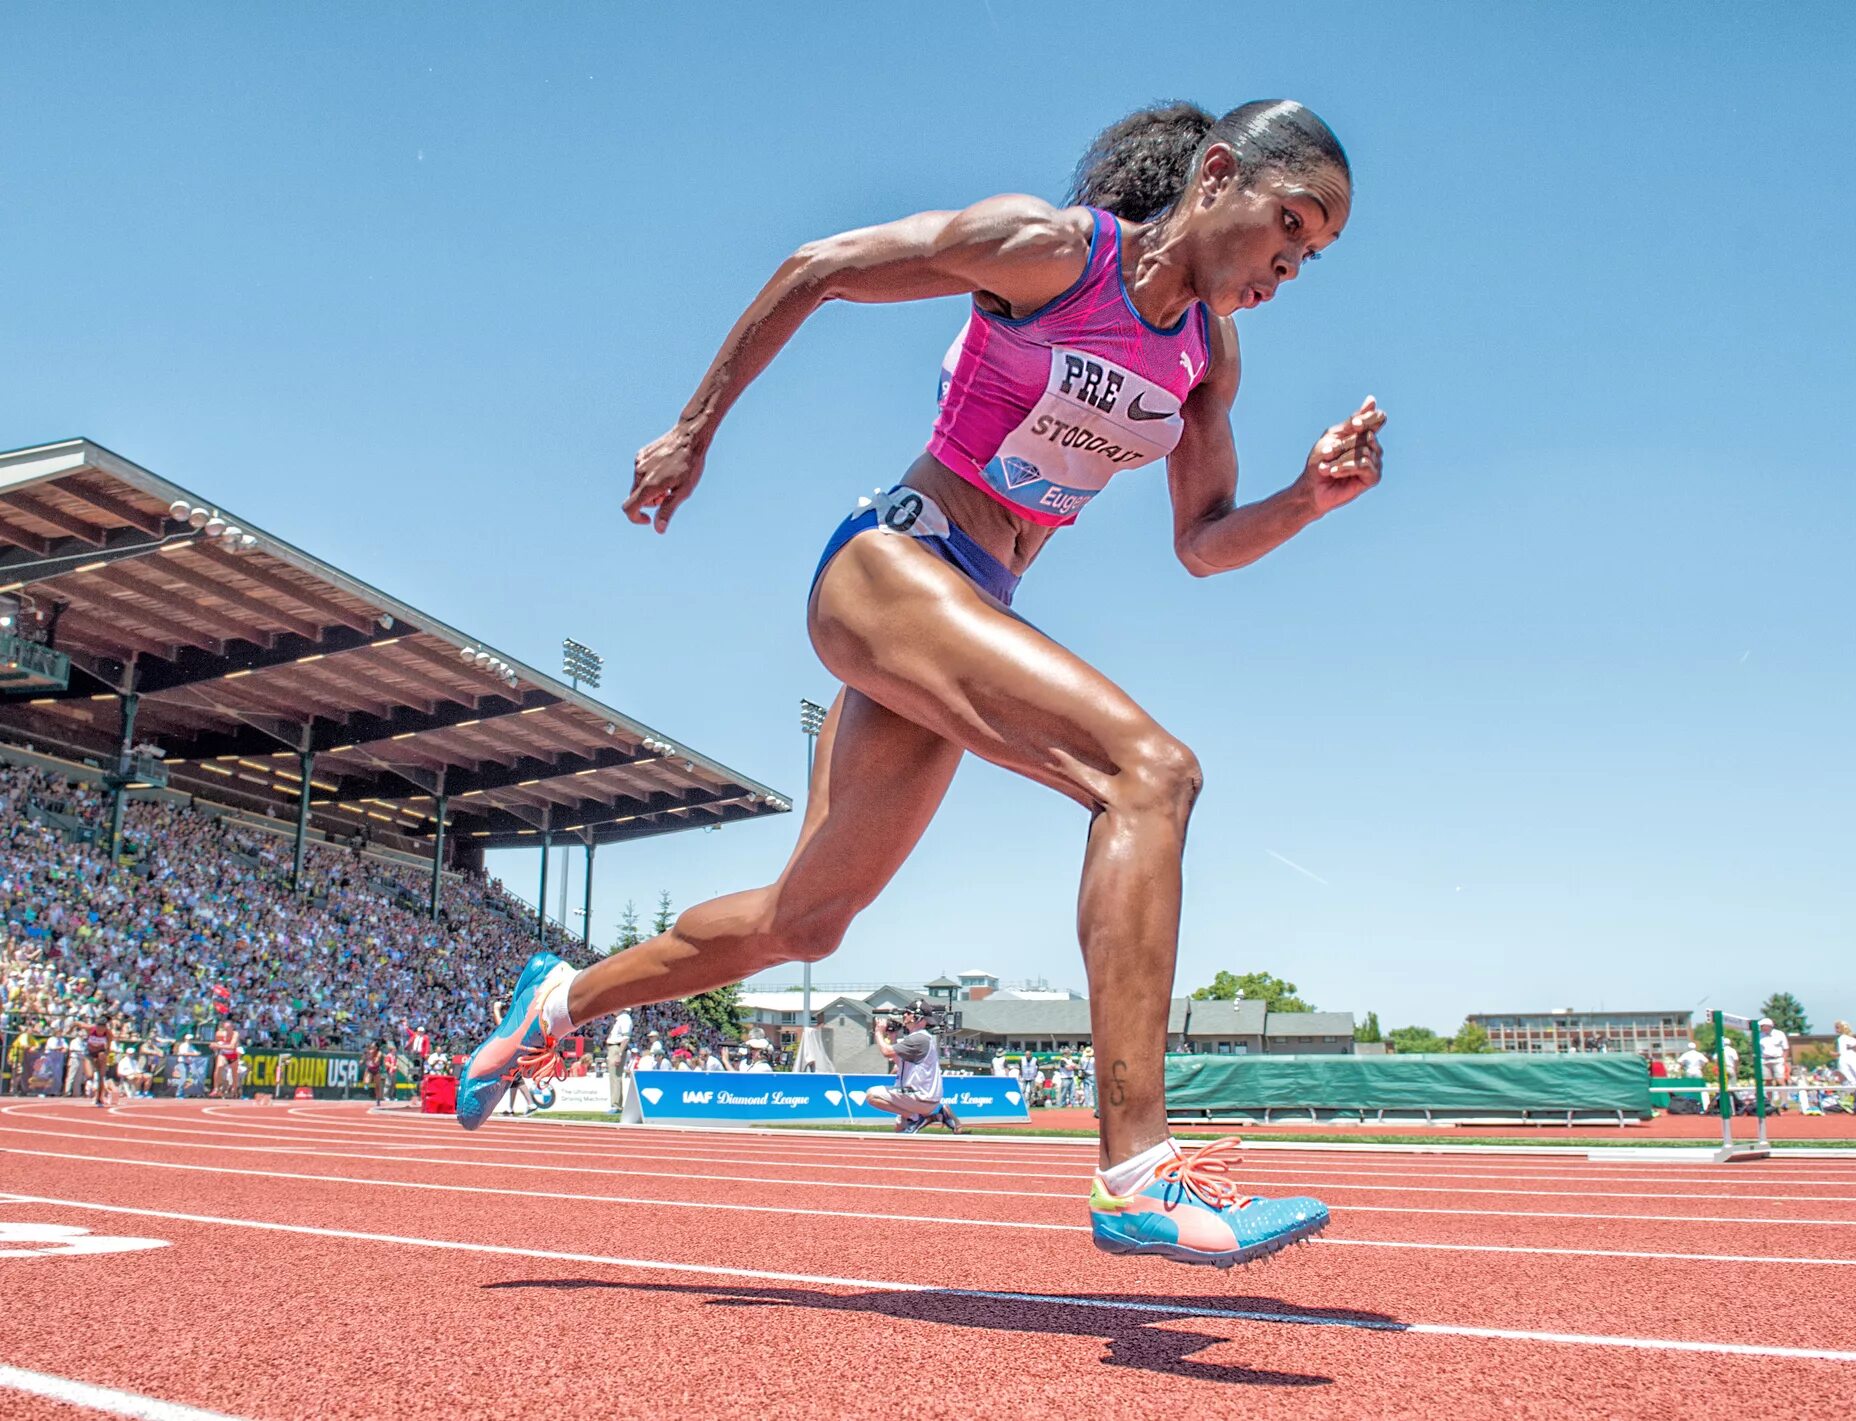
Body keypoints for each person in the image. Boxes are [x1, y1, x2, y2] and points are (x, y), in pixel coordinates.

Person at [458, 99, 1366, 1266]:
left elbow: (1203, 537)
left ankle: (560, 1000)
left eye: (1313, 254)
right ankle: (1139, 1171)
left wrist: (1311, 497)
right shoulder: (1052, 250)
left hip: (970, 608)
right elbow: (820, 265)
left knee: (808, 920)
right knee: (1150, 773)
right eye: (1286, 224)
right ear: (1218, 174)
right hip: (893, 561)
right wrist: (692, 432)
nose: (1289, 265)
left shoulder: (1205, 356)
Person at [864, 1002, 963, 1135]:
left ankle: (916, 1118)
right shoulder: (920, 1038)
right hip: (923, 1097)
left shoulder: (919, 1038)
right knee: (899, 1129)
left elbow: (886, 1052)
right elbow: (900, 1062)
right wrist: (893, 1037)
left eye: (908, 1013)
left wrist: (878, 1032)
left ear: (919, 1018)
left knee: (872, 1095)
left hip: (919, 1096)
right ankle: (938, 1115)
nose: (904, 1015)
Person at [606, 1009, 633, 1111]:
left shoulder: (625, 1018)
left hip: (617, 1047)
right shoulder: (620, 1019)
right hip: (614, 1047)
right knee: (614, 1077)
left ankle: (616, 1105)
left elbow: (625, 1038)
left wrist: (619, 1054)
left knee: (616, 1076)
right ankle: (615, 1103)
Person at [1758, 1017, 1789, 1099]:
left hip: (1778, 1059)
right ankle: (1770, 1101)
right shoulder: (1759, 1035)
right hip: (1764, 1060)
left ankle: (1784, 1101)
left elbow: (1786, 1048)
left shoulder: (1779, 1034)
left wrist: (1784, 1060)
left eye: (1763, 1026)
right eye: (1761, 1026)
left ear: (1769, 1026)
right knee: (1768, 1081)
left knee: (1780, 1080)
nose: (1762, 1028)